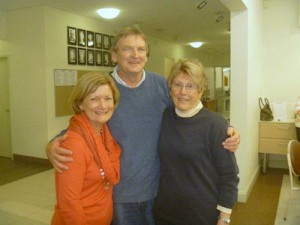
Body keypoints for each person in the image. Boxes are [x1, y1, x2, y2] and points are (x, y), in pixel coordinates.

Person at [46, 27, 241, 225]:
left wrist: (225, 129)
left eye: (140, 49)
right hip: (121, 195)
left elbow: (188, 109)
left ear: (146, 55)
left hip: (158, 193)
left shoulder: (161, 86)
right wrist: (54, 142)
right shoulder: (106, 88)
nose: (135, 55)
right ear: (114, 55)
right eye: (127, 49)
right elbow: (86, 122)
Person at [153, 59, 239, 225]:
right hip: (164, 213)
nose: (183, 92)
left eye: (191, 86)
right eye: (177, 85)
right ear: (170, 89)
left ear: (201, 90)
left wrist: (224, 217)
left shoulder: (215, 125)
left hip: (201, 215)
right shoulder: (164, 117)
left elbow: (229, 176)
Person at [51, 72, 121, 225]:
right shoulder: (73, 144)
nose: (103, 106)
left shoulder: (103, 134)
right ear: (81, 103)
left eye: (107, 98)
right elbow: (69, 203)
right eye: (94, 99)